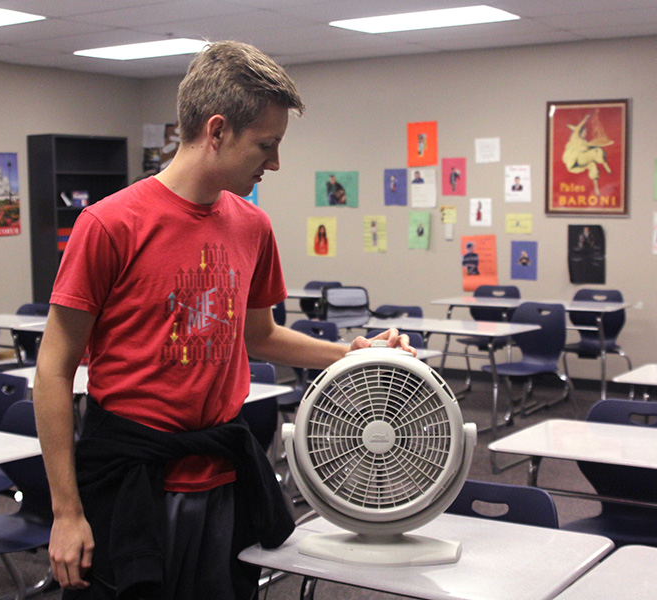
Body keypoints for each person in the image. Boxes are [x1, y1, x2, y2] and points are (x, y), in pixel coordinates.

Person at [33, 40, 412, 600]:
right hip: (132, 479)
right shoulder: (109, 224)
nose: (275, 162)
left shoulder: (252, 225)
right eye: (266, 144)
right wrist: (66, 512)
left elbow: (257, 334)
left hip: (222, 476)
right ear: (216, 132)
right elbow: (54, 368)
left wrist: (350, 354)